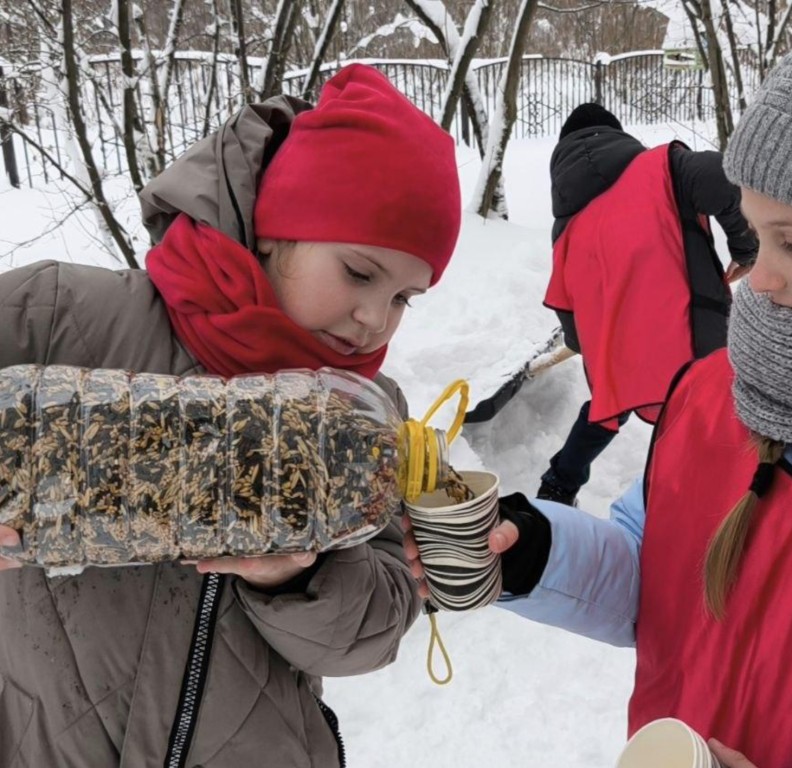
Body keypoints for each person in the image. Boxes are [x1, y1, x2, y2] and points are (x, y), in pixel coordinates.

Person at [405, 16, 792, 767]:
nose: (757, 281)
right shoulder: (718, 388)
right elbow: (656, 566)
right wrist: (533, 551)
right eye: (755, 236)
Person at [0, 64, 460, 767]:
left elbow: (374, 631)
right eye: (360, 274)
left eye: (405, 298)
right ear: (276, 231)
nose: (375, 320)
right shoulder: (61, 316)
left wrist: (297, 578)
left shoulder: (366, 424)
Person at [536, 103, 757, 505]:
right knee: (707, 408)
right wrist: (746, 247)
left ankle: (558, 486)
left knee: (608, 407)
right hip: (692, 329)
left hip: (621, 348)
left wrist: (596, 349)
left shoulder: (566, 226)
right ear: (617, 136)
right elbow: (728, 182)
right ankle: (706, 499)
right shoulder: (664, 168)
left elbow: (566, 302)